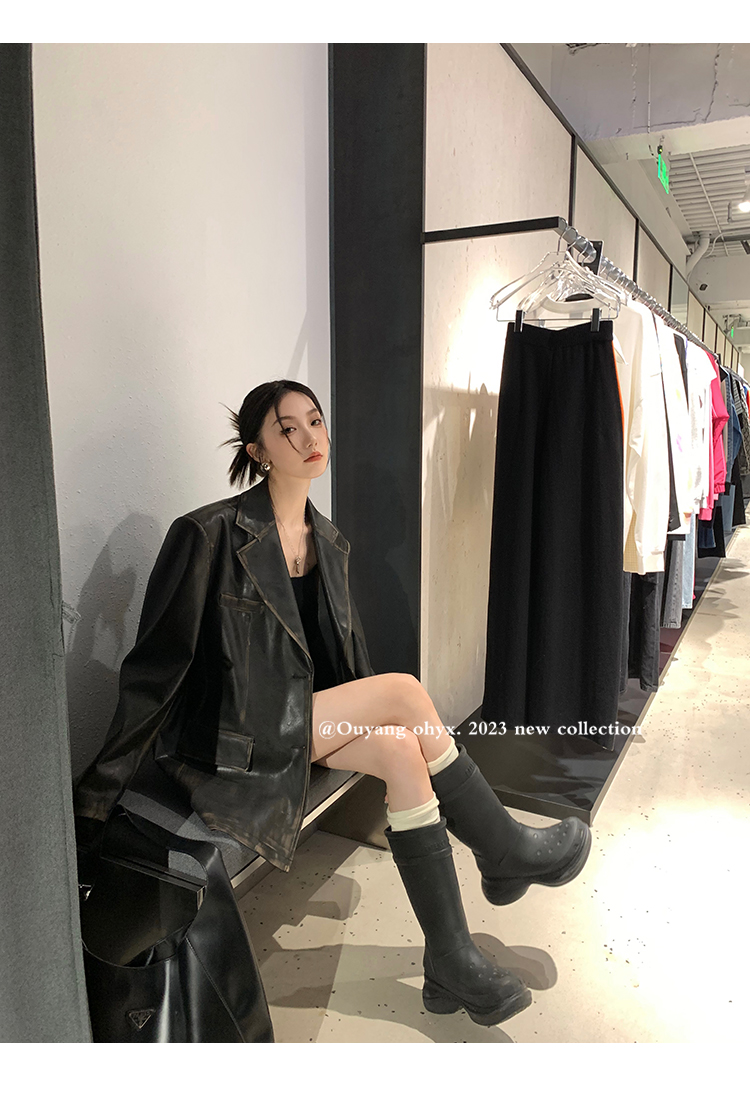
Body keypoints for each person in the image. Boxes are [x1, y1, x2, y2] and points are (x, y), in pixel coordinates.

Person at [74, 378, 591, 1029]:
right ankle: (501, 847)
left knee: (400, 748)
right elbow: (155, 673)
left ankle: (450, 956)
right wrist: (96, 801)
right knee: (404, 691)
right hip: (233, 739)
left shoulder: (329, 541)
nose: (309, 437)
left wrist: (380, 727)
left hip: (297, 724)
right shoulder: (206, 534)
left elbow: (346, 664)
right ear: (258, 450)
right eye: (287, 428)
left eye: (315, 421)